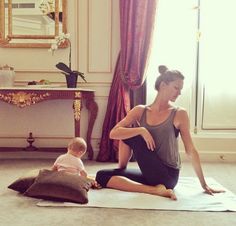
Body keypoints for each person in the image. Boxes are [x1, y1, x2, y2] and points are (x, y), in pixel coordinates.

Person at [96, 65, 225, 200]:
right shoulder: (140, 111)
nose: (179, 93)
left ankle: (157, 188)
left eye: (180, 89)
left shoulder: (179, 113)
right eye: (176, 88)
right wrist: (141, 130)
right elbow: (113, 133)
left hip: (168, 176)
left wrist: (204, 184)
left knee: (133, 136)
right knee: (101, 176)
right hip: (150, 172)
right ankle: (155, 190)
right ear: (163, 85)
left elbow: (190, 150)